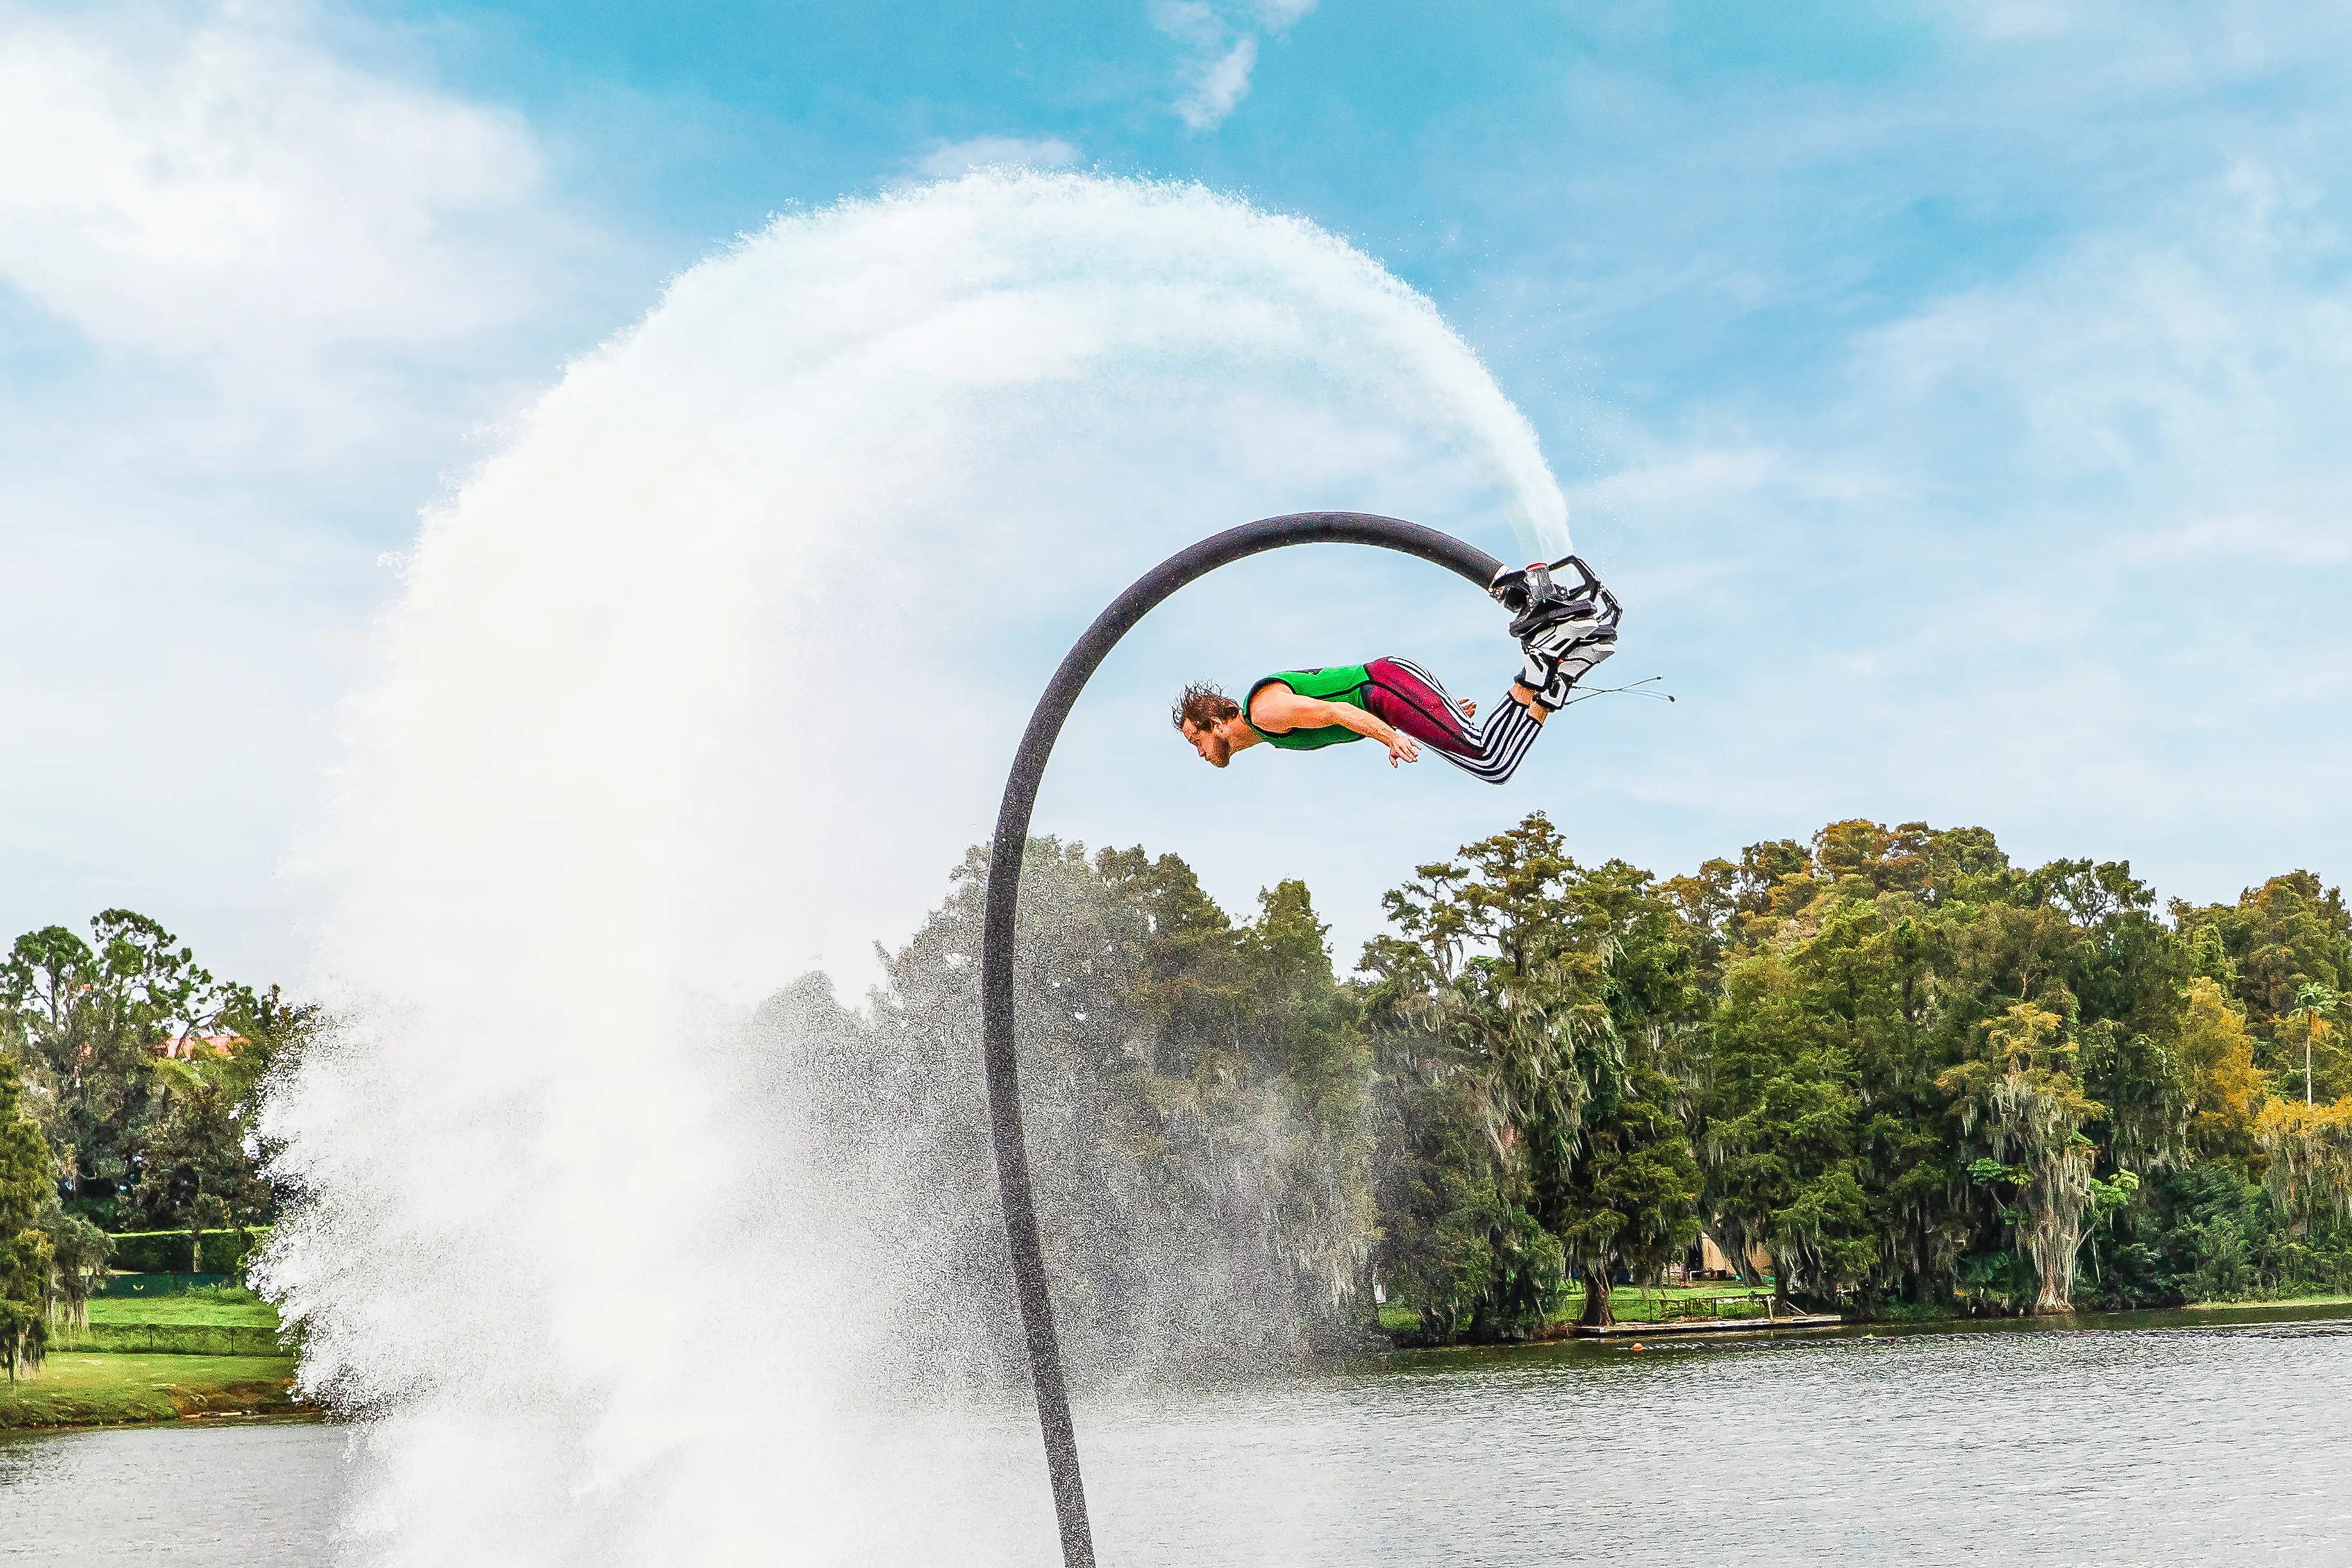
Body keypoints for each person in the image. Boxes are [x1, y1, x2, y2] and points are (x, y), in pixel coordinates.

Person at [1171, 556, 1619, 785]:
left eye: (1196, 740)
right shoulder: (1268, 733)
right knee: (1493, 762)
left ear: (1215, 722)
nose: (1199, 752)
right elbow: (1339, 706)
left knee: (1488, 761)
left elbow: (1336, 713)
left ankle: (1540, 662)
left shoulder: (1262, 712)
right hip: (1391, 695)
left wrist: (1391, 733)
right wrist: (1417, 715)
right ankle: (1559, 672)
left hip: (1386, 685)